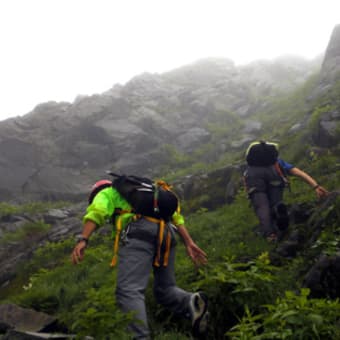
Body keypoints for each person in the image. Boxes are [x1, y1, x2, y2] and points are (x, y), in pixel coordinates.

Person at [71, 177, 209, 339]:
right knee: (165, 290)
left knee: (129, 290)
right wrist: (189, 242)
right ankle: (191, 302)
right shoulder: (144, 194)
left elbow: (97, 212)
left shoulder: (107, 193)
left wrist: (83, 239)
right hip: (167, 234)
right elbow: (175, 217)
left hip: (139, 233)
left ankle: (140, 337)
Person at [243, 141, 329, 242]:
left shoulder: (252, 164)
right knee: (275, 202)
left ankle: (270, 235)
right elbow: (297, 172)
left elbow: (246, 176)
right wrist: (316, 186)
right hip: (274, 174)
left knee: (262, 207)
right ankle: (277, 209)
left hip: (254, 177)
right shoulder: (276, 162)